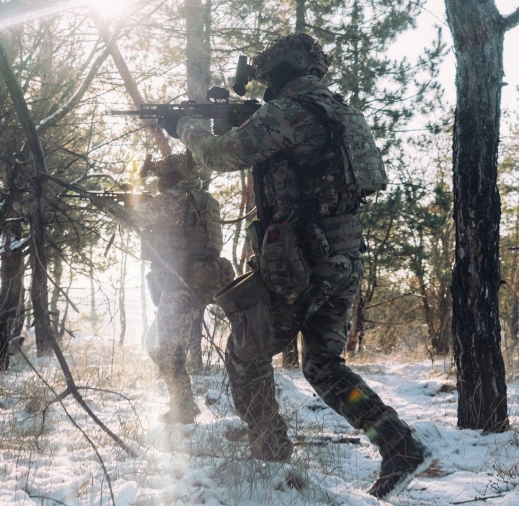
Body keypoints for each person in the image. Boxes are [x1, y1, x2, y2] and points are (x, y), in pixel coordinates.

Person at [160, 33, 432, 498]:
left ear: (280, 72)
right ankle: (398, 445)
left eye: (267, 77)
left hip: (300, 258)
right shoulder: (342, 112)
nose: (264, 85)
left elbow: (220, 156)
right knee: (323, 365)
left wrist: (185, 125)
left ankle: (269, 452)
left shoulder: (286, 112)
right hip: (343, 252)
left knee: (246, 350)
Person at [127, 153, 234, 424]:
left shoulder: (174, 197)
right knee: (156, 343)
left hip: (179, 283)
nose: (161, 182)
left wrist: (123, 199)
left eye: (164, 177)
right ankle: (183, 405)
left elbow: (132, 217)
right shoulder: (207, 201)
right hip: (198, 282)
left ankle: (183, 410)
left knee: (167, 349)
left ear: (173, 177)